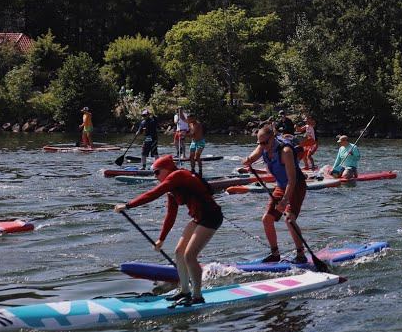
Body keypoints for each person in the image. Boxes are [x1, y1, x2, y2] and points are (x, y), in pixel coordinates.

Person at [114, 154, 223, 307]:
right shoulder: (172, 188)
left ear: (167, 170)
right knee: (179, 252)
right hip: (198, 218)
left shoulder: (177, 176)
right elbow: (171, 215)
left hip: (211, 217)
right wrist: (162, 239)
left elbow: (153, 193)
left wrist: (128, 205)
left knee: (190, 256)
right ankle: (185, 291)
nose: (155, 176)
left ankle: (197, 296)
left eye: (157, 172)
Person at [241, 126, 310, 264]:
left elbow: (292, 180)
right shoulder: (264, 145)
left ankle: (301, 254)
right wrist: (248, 160)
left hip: (295, 185)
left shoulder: (286, 151)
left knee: (289, 219)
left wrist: (284, 201)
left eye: (264, 143)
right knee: (267, 219)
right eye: (259, 143)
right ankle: (275, 253)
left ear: (272, 138)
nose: (262, 146)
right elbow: (254, 155)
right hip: (281, 185)